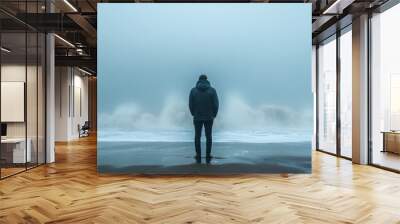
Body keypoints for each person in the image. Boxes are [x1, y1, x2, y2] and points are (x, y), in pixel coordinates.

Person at [189, 74, 219, 163]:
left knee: (197, 136)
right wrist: (214, 114)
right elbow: (216, 104)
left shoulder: (193, 91)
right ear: (207, 80)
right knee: (208, 136)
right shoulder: (212, 90)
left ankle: (198, 155)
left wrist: (193, 113)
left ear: (198, 80)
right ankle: (208, 154)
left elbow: (190, 104)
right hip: (209, 117)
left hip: (197, 117)